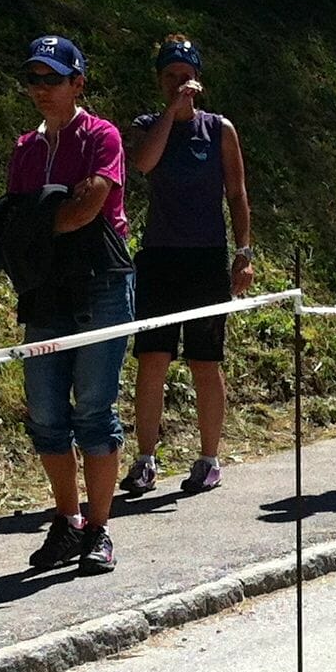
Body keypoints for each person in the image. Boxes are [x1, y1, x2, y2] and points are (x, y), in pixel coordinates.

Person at [2, 36, 135, 573]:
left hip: (100, 282)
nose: (41, 89)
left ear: (78, 82)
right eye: (34, 78)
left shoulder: (102, 134)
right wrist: (47, 218)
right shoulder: (24, 148)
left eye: (52, 79)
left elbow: (89, 208)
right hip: (44, 288)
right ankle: (67, 521)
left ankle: (101, 529)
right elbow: (14, 220)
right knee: (47, 413)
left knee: (94, 411)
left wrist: (39, 223)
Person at [121, 36, 255, 496]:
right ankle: (145, 458)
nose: (181, 85)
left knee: (205, 359)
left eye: (187, 77)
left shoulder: (220, 130)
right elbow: (143, 164)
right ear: (161, 82)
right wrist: (170, 115)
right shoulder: (146, 125)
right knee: (152, 358)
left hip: (205, 260)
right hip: (159, 257)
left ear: (199, 81)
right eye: (171, 78)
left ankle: (209, 457)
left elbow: (236, 194)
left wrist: (244, 252)